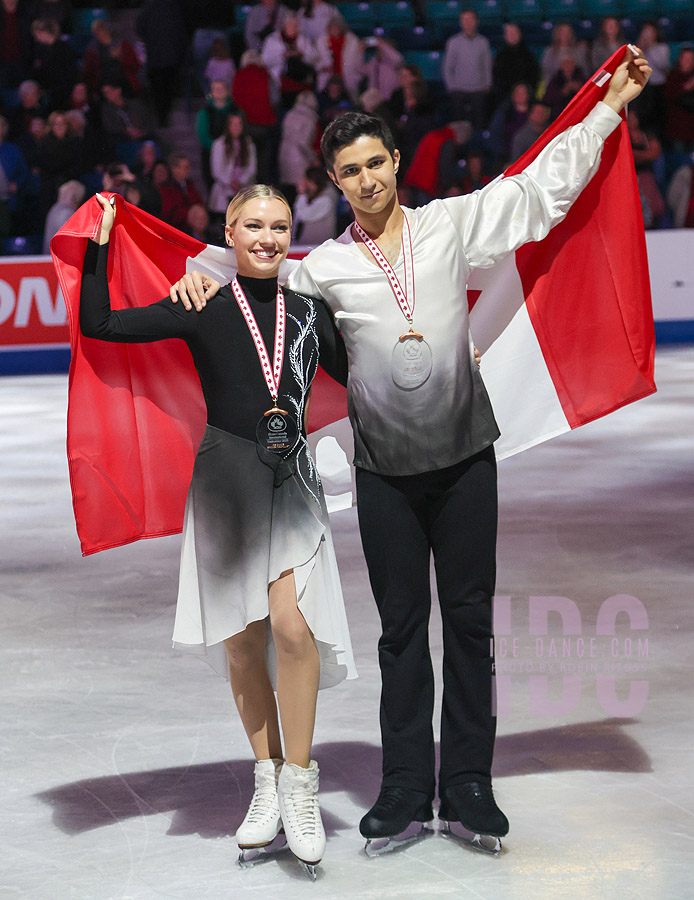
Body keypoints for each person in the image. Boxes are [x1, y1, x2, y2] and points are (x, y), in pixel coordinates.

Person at [169, 47, 651, 852]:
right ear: (334, 182)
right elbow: (252, 275)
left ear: (395, 161)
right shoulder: (323, 267)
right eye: (347, 172)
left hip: (465, 461)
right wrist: (194, 270)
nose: (364, 181)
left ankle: (466, 782)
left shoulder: (449, 225)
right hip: (385, 476)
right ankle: (400, 788)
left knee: (466, 626)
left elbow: (539, 195)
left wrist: (608, 110)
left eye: (373, 163)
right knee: (400, 634)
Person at [78, 184, 356, 878]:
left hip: (290, 478)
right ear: (229, 231)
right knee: (243, 639)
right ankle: (264, 779)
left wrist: (437, 358)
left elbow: (365, 375)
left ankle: (300, 784)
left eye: (280, 226)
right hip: (226, 483)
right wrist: (99, 246)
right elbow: (102, 325)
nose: (267, 237)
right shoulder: (202, 304)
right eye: (253, 225)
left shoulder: (311, 311)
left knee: (292, 628)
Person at [442, 8, 492, 130]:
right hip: (459, 90)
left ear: (476, 21)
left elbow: (487, 65)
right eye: (465, 20)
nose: (468, 23)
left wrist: (487, 84)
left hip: (479, 89)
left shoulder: (483, 42)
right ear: (461, 22)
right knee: (460, 127)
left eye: (471, 19)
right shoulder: (453, 42)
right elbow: (448, 67)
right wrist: (452, 87)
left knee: (480, 124)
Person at [209, 112, 258, 221]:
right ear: (228, 126)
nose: (236, 127)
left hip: (243, 189)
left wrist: (240, 181)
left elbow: (252, 168)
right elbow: (216, 170)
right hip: (224, 190)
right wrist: (230, 182)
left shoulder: (249, 144)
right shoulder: (219, 144)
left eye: (239, 124)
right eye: (233, 124)